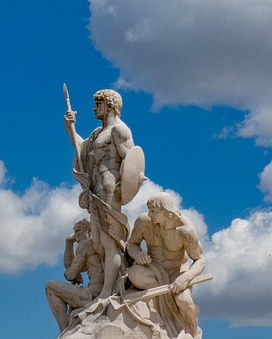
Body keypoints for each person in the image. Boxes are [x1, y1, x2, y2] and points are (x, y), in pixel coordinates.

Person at [65, 89, 141, 298]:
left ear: (110, 105)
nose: (93, 109)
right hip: (94, 189)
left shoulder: (120, 130)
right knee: (98, 243)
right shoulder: (97, 133)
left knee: (110, 241)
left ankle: (108, 292)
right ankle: (108, 287)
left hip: (109, 188)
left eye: (97, 105)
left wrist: (123, 187)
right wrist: (70, 127)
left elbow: (131, 161)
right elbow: (82, 149)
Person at [124, 193, 207, 339]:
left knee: (184, 301)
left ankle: (194, 331)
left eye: (154, 211)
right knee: (134, 275)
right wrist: (138, 255)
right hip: (153, 269)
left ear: (166, 211)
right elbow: (132, 244)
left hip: (177, 271)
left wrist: (185, 278)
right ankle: (162, 315)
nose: (150, 214)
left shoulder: (185, 230)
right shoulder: (144, 222)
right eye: (149, 210)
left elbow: (200, 260)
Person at [45, 219, 104, 331]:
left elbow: (70, 274)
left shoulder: (86, 244)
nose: (76, 235)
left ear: (89, 231)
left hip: (91, 294)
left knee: (50, 286)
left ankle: (64, 330)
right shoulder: (97, 245)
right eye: (75, 232)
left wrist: (68, 243)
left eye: (78, 231)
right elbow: (74, 267)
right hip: (99, 291)